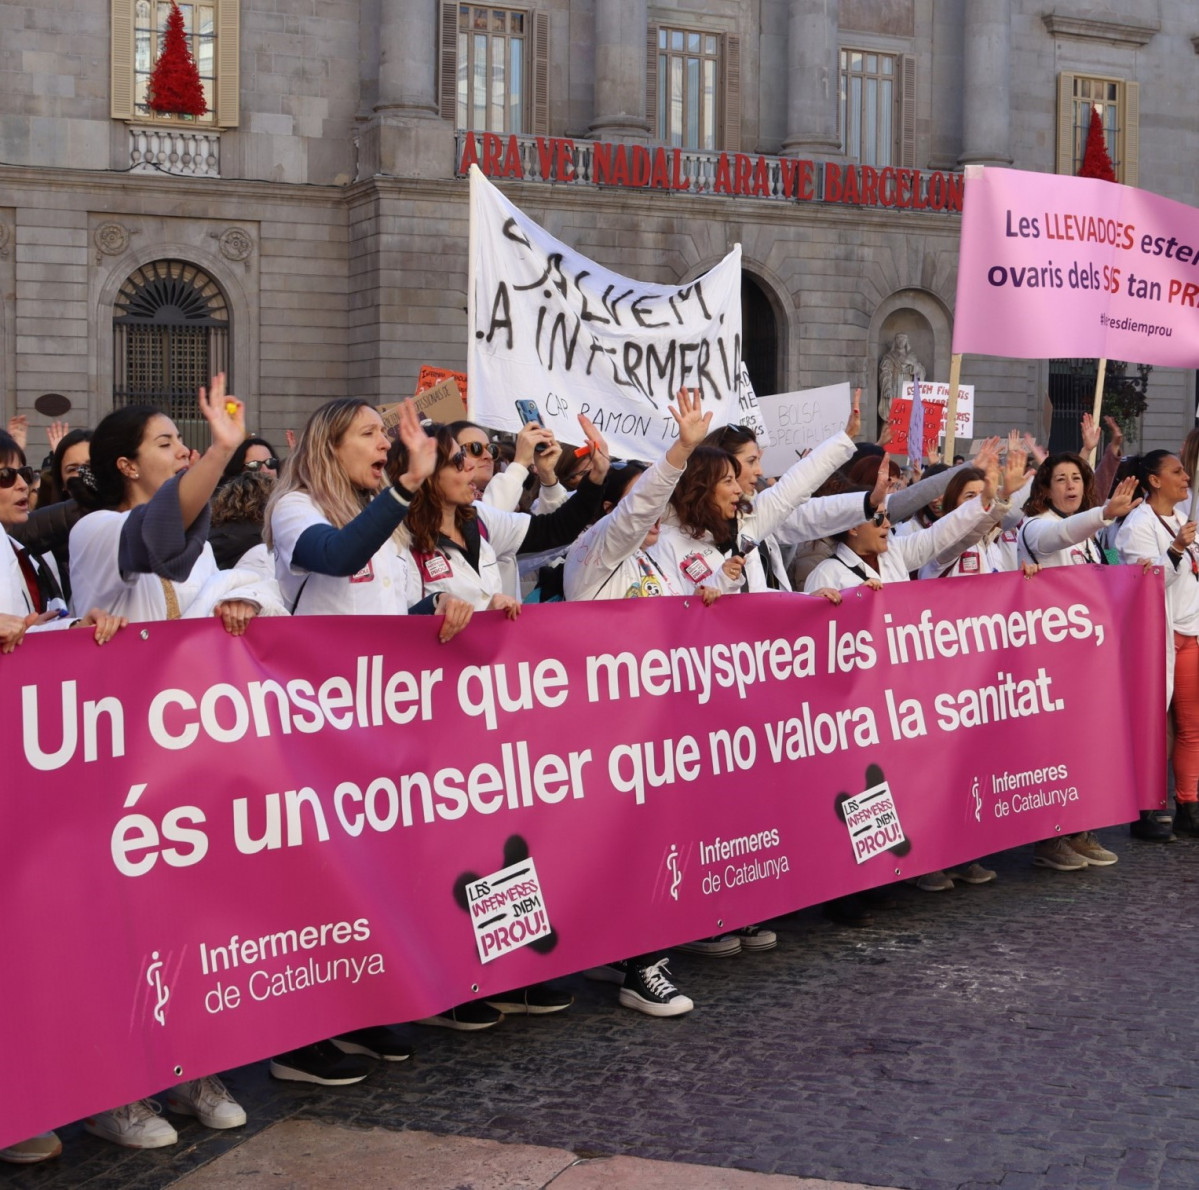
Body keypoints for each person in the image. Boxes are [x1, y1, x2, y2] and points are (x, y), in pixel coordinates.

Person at [68, 377, 280, 1148]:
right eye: (167, 443)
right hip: (113, 770)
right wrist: (223, 452)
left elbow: (233, 582)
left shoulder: (189, 548)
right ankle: (118, 1088)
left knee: (188, 920)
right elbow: (154, 542)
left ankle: (192, 1065)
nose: (182, 449)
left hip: (185, 768)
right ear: (126, 464)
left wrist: (250, 599)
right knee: (121, 930)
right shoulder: (97, 528)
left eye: (185, 444)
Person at [1017, 453, 1142, 870]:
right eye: (1060, 479)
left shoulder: (1090, 533)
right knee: (1050, 748)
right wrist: (1104, 513)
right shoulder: (1036, 527)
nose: (1070, 486)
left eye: (1076, 478)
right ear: (1045, 489)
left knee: (1082, 746)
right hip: (1047, 660)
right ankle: (1047, 836)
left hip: (1086, 658)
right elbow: (1060, 537)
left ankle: (1078, 828)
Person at [1116, 451, 1199, 841]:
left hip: (1190, 632)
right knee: (1153, 726)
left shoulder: (1184, 520)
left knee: (1190, 727)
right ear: (1154, 481)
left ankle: (1189, 804)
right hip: (1156, 638)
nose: (1186, 477)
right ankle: (1145, 809)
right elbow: (1144, 586)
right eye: (1177, 471)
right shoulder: (1137, 526)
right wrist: (1177, 550)